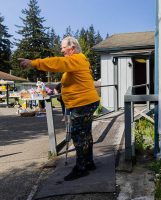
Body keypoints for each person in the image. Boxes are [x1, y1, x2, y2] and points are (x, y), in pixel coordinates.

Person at [18, 36, 100, 181]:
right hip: (85, 102)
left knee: (77, 134)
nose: (61, 50)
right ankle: (89, 162)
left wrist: (34, 63)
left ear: (72, 48)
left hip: (82, 104)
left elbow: (57, 63)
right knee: (85, 133)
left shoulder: (76, 59)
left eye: (63, 47)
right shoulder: (77, 61)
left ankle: (81, 168)